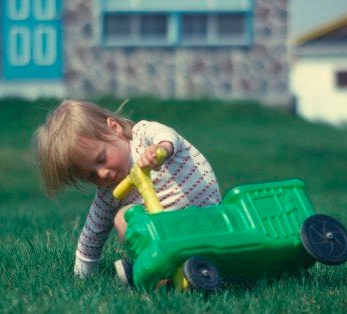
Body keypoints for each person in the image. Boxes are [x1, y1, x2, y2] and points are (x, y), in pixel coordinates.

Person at [33, 100, 221, 280]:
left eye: (101, 159)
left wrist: (160, 149)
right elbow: (92, 235)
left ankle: (158, 270)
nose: (103, 173)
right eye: (91, 175)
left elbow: (167, 134)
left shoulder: (143, 136)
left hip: (208, 213)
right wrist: (81, 277)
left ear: (114, 129)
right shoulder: (108, 194)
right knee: (123, 218)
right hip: (168, 237)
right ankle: (158, 269)